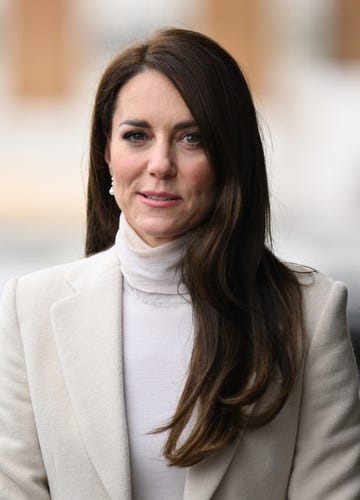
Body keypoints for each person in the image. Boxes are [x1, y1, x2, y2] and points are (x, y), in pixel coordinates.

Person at [0, 28, 359, 500]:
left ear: (229, 157)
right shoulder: (31, 308)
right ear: (106, 153)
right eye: (136, 136)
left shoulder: (308, 313)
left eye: (191, 138)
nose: (160, 163)